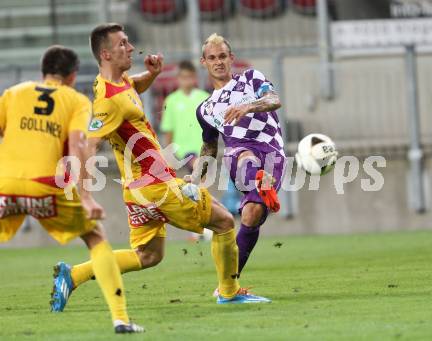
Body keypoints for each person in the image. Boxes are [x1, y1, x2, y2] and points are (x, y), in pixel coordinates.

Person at [53, 23, 270, 309]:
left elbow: (132, 90)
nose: (130, 48)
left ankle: (74, 274)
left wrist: (152, 75)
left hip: (137, 191)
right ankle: (229, 292)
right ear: (106, 54)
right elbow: (89, 146)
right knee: (225, 222)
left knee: (149, 256)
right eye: (123, 44)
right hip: (157, 186)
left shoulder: (116, 82)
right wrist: (84, 195)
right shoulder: (108, 101)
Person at [0, 45, 143, 334]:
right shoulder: (76, 100)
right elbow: (79, 146)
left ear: (43, 71)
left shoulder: (13, 93)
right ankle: (120, 319)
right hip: (46, 187)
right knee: (95, 238)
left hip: (7, 184)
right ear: (73, 75)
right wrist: (87, 197)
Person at [191, 33, 285, 292]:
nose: (218, 62)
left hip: (272, 151)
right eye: (212, 58)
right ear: (204, 62)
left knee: (251, 214)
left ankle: (227, 284)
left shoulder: (252, 79)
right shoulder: (206, 109)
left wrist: (248, 107)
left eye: (222, 56)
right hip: (240, 153)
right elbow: (210, 145)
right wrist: (198, 178)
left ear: (231, 58)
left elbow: (274, 100)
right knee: (241, 154)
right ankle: (258, 177)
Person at [160, 60, 209, 172]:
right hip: (183, 150)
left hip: (204, 148)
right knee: (197, 172)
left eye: (189, 77)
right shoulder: (171, 100)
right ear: (178, 78)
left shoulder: (205, 98)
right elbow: (168, 129)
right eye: (183, 77)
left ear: (195, 77)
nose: (186, 80)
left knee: (198, 183)